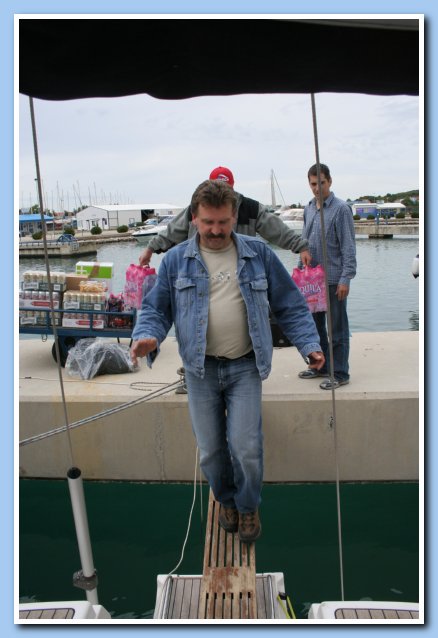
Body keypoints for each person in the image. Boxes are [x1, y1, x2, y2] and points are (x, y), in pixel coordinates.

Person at [131, 180, 324, 543]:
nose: (216, 230)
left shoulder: (259, 254)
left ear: (234, 217)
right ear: (194, 218)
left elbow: (290, 305)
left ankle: (248, 506)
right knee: (210, 451)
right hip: (199, 370)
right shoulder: (175, 260)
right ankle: (226, 500)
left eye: (223, 222)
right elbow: (156, 309)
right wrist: (148, 336)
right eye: (208, 222)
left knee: (246, 447)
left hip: (245, 367)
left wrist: (309, 345)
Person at [138, 166, 312, 267]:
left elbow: (278, 230)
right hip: (200, 270)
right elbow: (172, 232)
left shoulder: (251, 209)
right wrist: (151, 248)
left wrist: (300, 246)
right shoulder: (195, 208)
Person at [297, 164, 356, 390]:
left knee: (337, 329)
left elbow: (348, 247)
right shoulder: (308, 208)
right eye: (313, 184)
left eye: (321, 183)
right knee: (314, 328)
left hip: (333, 280)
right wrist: (299, 270)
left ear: (329, 181)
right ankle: (320, 366)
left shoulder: (341, 209)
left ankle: (340, 373)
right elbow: (304, 243)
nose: (317, 188)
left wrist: (345, 279)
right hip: (311, 282)